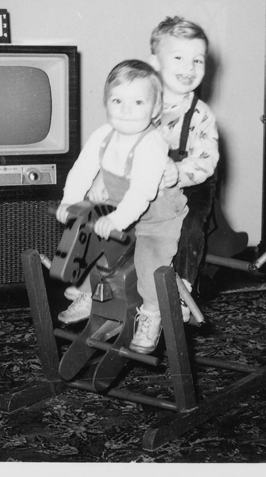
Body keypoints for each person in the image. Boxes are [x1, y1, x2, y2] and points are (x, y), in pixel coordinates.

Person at [55, 59, 187, 354]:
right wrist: (71, 200)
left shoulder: (152, 144)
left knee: (151, 262)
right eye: (118, 100)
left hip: (156, 219)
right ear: (106, 103)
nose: (126, 109)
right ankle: (92, 293)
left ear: (154, 110)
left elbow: (141, 192)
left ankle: (152, 314)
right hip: (119, 209)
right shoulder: (102, 136)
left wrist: (117, 220)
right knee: (91, 236)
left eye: (138, 102)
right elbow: (81, 169)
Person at [148, 16, 219, 297]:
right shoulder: (142, 103)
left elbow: (206, 161)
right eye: (179, 57)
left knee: (188, 228)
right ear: (154, 63)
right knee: (109, 213)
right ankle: (94, 284)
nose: (189, 67)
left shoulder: (201, 114)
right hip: (150, 183)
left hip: (192, 185)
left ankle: (183, 290)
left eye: (198, 60)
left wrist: (178, 172)